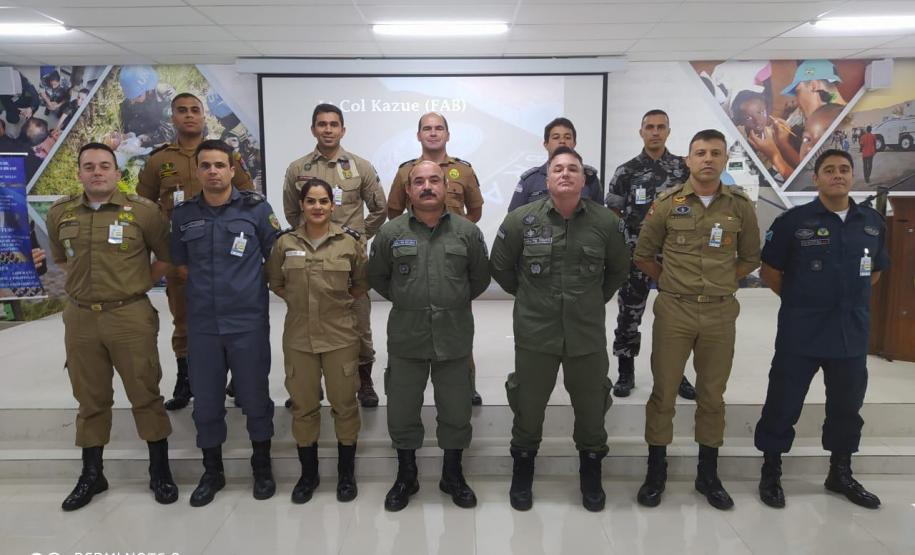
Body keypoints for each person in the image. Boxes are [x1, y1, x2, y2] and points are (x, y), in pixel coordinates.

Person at [491, 146, 629, 512]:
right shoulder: (520, 221)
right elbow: (502, 269)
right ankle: (523, 473)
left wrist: (590, 300)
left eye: (573, 169)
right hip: (536, 333)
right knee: (528, 405)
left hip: (586, 334)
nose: (565, 174)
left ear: (583, 179)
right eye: (558, 169)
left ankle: (591, 474)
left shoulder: (606, 223)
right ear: (547, 178)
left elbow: (617, 270)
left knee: (591, 406)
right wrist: (532, 298)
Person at [633, 129, 761, 511]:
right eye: (700, 153)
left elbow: (751, 257)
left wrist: (721, 282)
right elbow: (643, 254)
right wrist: (673, 283)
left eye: (715, 153)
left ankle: (709, 474)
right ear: (687, 160)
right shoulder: (668, 203)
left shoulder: (739, 206)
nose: (707, 159)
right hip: (675, 310)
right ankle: (656, 471)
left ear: (724, 160)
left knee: (712, 395)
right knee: (664, 392)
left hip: (720, 312)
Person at [46, 142, 177, 511]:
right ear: (79, 173)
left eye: (105, 166)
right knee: (89, 397)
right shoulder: (61, 213)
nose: (97, 172)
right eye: (89, 166)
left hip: (129, 315)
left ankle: (159, 470)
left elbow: (165, 259)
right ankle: (92, 474)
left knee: (145, 391)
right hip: (81, 318)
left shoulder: (143, 212)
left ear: (118, 174)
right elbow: (61, 259)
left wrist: (133, 286)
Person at [755, 149, 887, 510]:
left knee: (847, 406)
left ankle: (840, 472)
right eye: (829, 170)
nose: (838, 175)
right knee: (784, 401)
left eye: (844, 169)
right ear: (817, 178)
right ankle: (771, 471)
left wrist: (845, 299)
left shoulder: (872, 222)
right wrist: (804, 299)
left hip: (850, 333)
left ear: (852, 176)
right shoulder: (792, 222)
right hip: (802, 329)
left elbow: (874, 271)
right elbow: (770, 272)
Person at [368, 160, 490, 512]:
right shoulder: (390, 233)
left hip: (454, 337)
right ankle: (407, 475)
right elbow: (379, 277)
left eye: (433, 180)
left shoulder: (467, 232)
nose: (426, 186)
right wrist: (411, 301)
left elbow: (479, 278)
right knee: (403, 410)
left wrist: (449, 302)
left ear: (445, 187)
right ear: (407, 190)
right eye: (418, 181)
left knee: (456, 409)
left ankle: (453, 474)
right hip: (407, 336)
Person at [170, 139, 280, 507]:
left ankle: (261, 465)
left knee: (254, 396)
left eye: (220, 165)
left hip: (247, 320)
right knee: (206, 400)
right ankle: (212, 470)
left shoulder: (255, 208)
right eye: (206, 165)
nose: (213, 171)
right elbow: (181, 265)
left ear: (233, 169)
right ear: (198, 170)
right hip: (202, 323)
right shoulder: (183, 214)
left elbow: (275, 256)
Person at [137, 92, 254, 411]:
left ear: (204, 116)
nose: (189, 115)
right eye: (182, 111)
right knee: (185, 320)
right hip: (182, 256)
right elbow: (144, 208)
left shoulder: (224, 154)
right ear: (172, 117)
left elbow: (247, 196)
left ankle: (236, 379)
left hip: (225, 256)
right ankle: (186, 378)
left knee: (230, 318)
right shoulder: (159, 160)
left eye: (195, 110)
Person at [266, 178, 368, 505]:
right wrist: (301, 304)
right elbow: (276, 282)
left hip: (340, 336)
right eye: (311, 201)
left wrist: (332, 306)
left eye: (324, 201)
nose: (318, 207)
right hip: (298, 338)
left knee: (344, 405)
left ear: (333, 205)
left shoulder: (349, 243)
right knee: (304, 408)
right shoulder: (284, 243)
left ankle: (345, 474)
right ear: (302, 205)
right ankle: (308, 475)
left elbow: (360, 284)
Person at [283, 103, 386, 408]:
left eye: (333, 124)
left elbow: (380, 209)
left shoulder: (361, 167)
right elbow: (291, 210)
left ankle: (364, 379)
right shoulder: (297, 169)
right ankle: (308, 383)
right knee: (308, 319)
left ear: (343, 129)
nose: (327, 129)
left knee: (359, 321)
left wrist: (356, 237)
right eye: (321, 124)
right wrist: (311, 236)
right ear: (313, 129)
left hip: (350, 264)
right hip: (309, 263)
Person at [388, 112, 487, 404]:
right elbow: (393, 211)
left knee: (459, 325)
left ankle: (465, 385)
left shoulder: (463, 171)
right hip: (416, 259)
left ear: (448, 134)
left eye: (439, 128)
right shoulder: (406, 172)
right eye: (427, 129)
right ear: (418, 135)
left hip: (453, 261)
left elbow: (476, 211)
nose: (433, 133)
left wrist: (457, 234)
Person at [604, 109, 695, 399]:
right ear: (641, 132)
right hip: (636, 255)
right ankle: (625, 371)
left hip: (676, 256)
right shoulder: (626, 171)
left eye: (661, 127)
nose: (655, 132)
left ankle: (677, 374)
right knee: (629, 313)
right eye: (649, 127)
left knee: (677, 319)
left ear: (668, 131)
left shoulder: (684, 169)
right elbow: (614, 212)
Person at [508, 117, 603, 211]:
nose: (562, 141)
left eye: (567, 137)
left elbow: (600, 217)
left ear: (574, 143)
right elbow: (513, 220)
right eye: (556, 137)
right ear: (546, 144)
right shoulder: (530, 180)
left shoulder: (590, 179)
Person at [118, 65, 174, 148]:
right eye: (130, 97)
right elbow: (124, 127)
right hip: (138, 147)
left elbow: (171, 129)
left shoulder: (165, 96)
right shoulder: (128, 102)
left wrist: (145, 139)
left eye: (136, 96)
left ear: (148, 89)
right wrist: (127, 136)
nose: (132, 101)